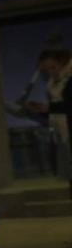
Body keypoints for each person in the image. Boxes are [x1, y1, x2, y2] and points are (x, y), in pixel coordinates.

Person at [25, 47, 72, 180]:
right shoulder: (53, 83)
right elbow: (58, 109)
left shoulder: (69, 78)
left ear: (62, 62)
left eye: (52, 67)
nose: (50, 73)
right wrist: (41, 110)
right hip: (62, 131)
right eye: (46, 70)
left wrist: (49, 108)